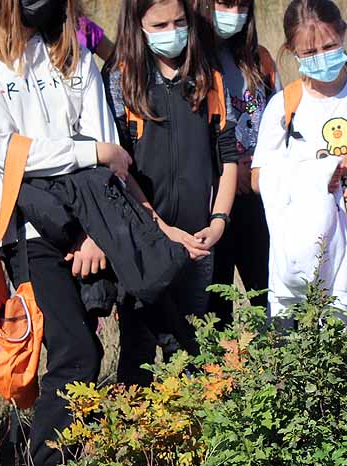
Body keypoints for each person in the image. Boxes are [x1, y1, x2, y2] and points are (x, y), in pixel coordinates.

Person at [0, 0, 129, 466]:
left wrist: (94, 231)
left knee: (79, 358)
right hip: (30, 232)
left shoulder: (72, 52)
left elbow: (103, 137)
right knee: (77, 354)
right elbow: (6, 152)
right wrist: (89, 153)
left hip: (89, 232)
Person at [106, 0, 240, 385]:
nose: (172, 32)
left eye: (179, 22)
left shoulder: (207, 75)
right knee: (140, 350)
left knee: (196, 345)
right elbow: (119, 168)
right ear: (138, 25)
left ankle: (199, 439)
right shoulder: (121, 78)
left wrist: (218, 222)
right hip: (144, 244)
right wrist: (160, 227)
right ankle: (142, 440)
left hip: (199, 240)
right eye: (160, 24)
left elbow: (227, 155)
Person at [253, 0, 347, 324]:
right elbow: (258, 178)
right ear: (292, 50)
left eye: (329, 46)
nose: (321, 58)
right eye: (308, 53)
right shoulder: (284, 106)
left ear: (343, 34)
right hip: (306, 254)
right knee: (306, 361)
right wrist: (316, 173)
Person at [207, 0, 282, 322]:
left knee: (270, 294)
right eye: (225, 4)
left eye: (241, 6)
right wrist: (228, 167)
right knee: (214, 302)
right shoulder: (194, 62)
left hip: (259, 195)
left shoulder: (259, 59)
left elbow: (279, 121)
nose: (233, 14)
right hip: (212, 198)